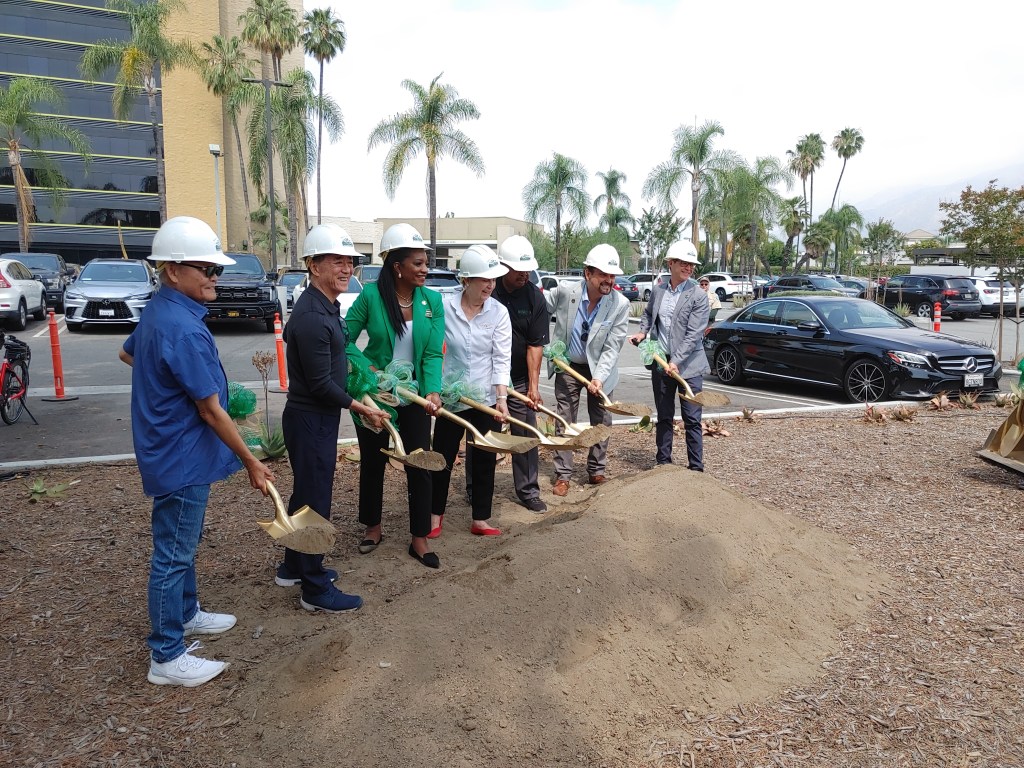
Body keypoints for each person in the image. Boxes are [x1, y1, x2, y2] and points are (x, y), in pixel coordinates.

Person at [119, 216, 275, 688]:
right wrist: (252, 459)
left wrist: (165, 387)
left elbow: (130, 354)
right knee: (172, 553)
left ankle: (186, 615)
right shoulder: (182, 328)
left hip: (170, 446)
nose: (213, 278)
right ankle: (166, 656)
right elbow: (209, 411)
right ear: (172, 271)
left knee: (181, 544)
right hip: (181, 454)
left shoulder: (162, 313)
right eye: (205, 270)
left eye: (216, 271)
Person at [278, 224, 389, 612]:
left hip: (316, 419)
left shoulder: (325, 306)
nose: (346, 269)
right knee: (314, 502)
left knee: (305, 494)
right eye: (336, 261)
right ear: (313, 265)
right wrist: (361, 406)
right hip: (311, 419)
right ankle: (313, 587)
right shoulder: (311, 317)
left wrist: (361, 383)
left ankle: (293, 565)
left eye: (350, 262)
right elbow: (322, 384)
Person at [346, 223, 445, 569]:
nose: (424, 268)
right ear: (396, 266)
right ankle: (373, 527)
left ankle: (419, 538)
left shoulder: (432, 300)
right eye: (417, 263)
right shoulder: (371, 296)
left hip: (413, 395)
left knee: (419, 462)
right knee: (373, 462)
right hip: (375, 396)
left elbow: (433, 354)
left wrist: (432, 388)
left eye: (425, 262)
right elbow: (342, 339)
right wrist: (368, 370)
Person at [428, 244, 511, 537]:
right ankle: (434, 515)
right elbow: (433, 350)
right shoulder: (444, 307)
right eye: (484, 279)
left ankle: (481, 519)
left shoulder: (499, 313)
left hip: (485, 399)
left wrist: (501, 399)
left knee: (485, 458)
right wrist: (433, 389)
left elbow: (501, 358)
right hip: (452, 397)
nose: (490, 285)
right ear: (466, 280)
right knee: (443, 456)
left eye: (493, 279)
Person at [546, 244, 630, 495]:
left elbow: (613, 346)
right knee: (565, 419)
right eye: (603, 274)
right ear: (587, 274)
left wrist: (599, 378)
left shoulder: (620, 304)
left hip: (599, 370)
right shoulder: (564, 292)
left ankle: (596, 470)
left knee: (602, 420)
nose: (609, 280)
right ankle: (563, 475)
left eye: (612, 275)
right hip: (568, 365)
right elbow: (538, 309)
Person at [629, 240, 710, 470]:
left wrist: (675, 362)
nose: (688, 268)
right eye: (684, 263)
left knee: (692, 418)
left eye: (691, 264)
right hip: (661, 362)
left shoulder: (698, 296)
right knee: (664, 415)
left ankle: (696, 468)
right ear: (671, 263)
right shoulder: (659, 290)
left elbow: (694, 334)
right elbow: (647, 314)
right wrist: (642, 333)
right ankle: (663, 462)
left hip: (689, 366)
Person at [491, 235, 550, 513]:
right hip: (486, 377)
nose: (524, 275)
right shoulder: (489, 292)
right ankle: (476, 487)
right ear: (503, 266)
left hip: (519, 378)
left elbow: (535, 345)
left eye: (528, 270)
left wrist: (533, 387)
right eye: (518, 270)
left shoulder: (535, 297)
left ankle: (528, 490)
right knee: (484, 434)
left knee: (526, 431)